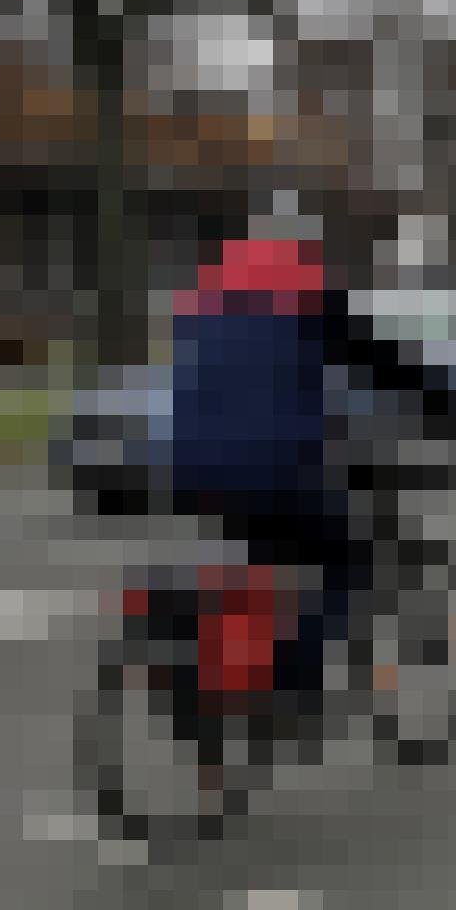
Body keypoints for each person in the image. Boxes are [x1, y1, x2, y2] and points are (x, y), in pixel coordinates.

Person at [164, 228, 387, 750]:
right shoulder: (314, 302)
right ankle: (294, 687)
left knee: (262, 555)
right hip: (275, 465)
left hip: (192, 464)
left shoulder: (201, 306)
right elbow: (383, 369)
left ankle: (218, 665)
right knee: (348, 560)